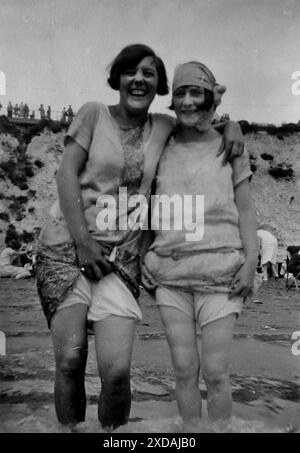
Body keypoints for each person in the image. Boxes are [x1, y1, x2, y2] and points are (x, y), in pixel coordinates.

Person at [35, 44, 244, 431]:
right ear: (118, 77)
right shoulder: (92, 114)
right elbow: (66, 176)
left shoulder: (162, 128)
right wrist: (82, 242)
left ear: (158, 84)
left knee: (115, 373)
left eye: (149, 73)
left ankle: (114, 438)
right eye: (131, 71)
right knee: (69, 360)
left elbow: (199, 124)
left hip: (120, 258)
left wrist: (231, 126)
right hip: (66, 249)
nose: (139, 79)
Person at [142, 61, 258, 430]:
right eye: (181, 93)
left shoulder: (231, 145)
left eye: (197, 92)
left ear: (210, 99)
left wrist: (252, 261)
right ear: (172, 100)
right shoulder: (160, 143)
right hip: (171, 275)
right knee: (182, 369)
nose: (189, 101)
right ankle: (189, 435)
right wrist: (144, 251)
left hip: (222, 273)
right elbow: (144, 201)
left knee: (217, 372)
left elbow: (246, 208)